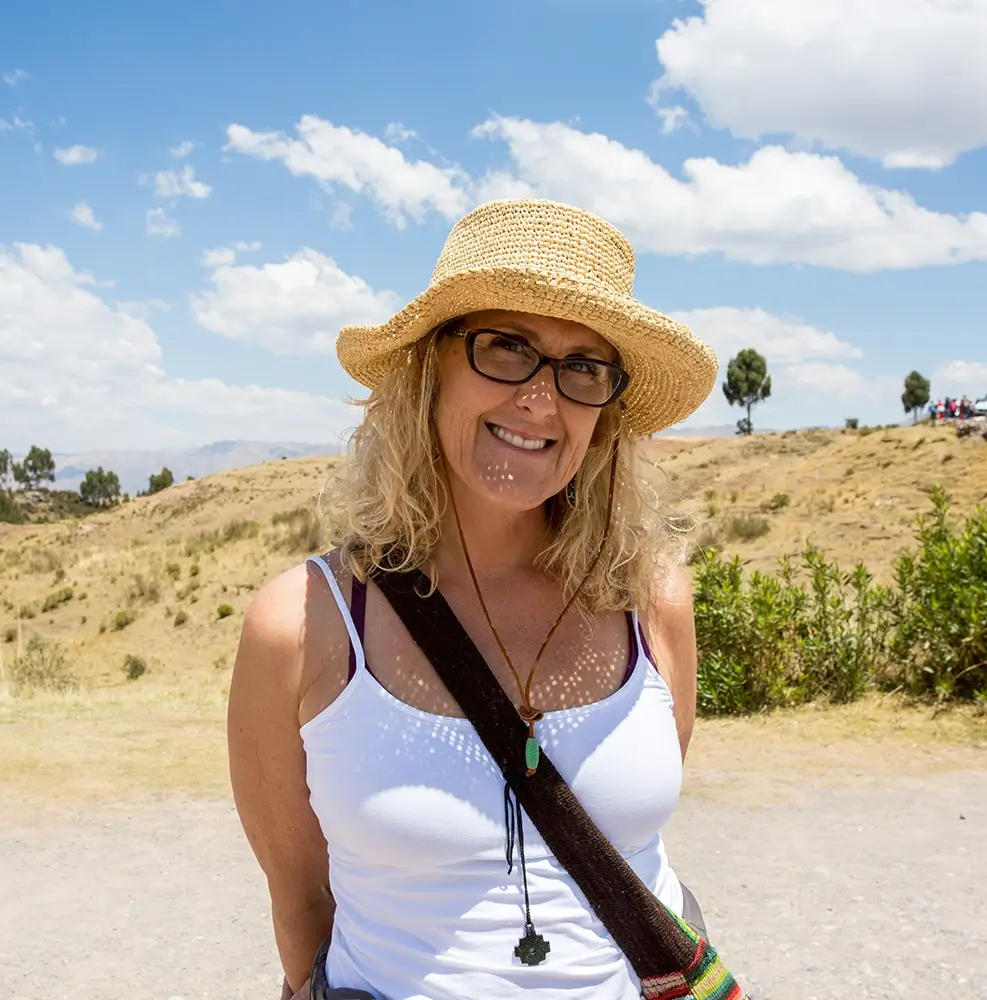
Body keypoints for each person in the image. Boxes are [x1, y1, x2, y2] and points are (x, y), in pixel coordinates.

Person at [228, 199, 718, 999]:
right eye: (505, 347)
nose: (539, 398)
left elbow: (624, 848)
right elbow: (303, 904)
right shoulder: (302, 625)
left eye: (582, 368)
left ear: (607, 412)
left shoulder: (652, 596)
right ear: (431, 367)